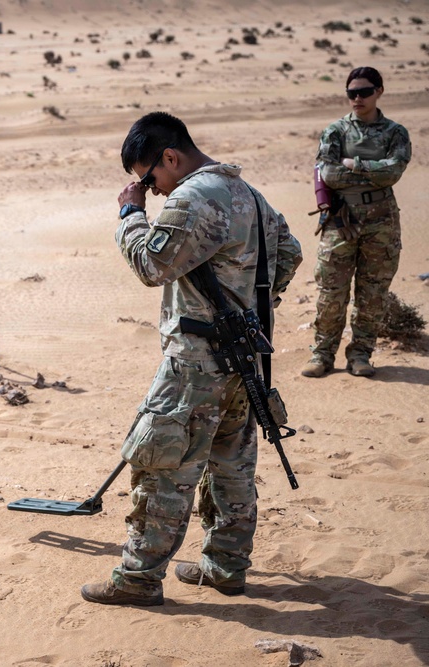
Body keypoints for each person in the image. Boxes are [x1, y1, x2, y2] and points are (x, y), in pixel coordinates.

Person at [81, 112, 302, 606]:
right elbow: (289, 253)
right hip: (243, 360)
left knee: (163, 467)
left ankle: (137, 579)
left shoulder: (193, 197)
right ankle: (226, 567)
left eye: (148, 178)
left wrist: (130, 214)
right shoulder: (249, 195)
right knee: (231, 465)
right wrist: (252, 307)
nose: (152, 190)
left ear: (170, 157)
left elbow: (150, 265)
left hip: (195, 364)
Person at [302, 66, 411, 378]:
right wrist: (373, 170)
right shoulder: (335, 131)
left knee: (373, 292)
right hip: (341, 220)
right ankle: (322, 354)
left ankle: (361, 355)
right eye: (352, 93)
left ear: (379, 91)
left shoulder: (395, 133)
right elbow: (328, 173)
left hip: (382, 222)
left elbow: (394, 172)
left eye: (364, 92)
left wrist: (355, 163)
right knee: (331, 291)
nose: (357, 98)